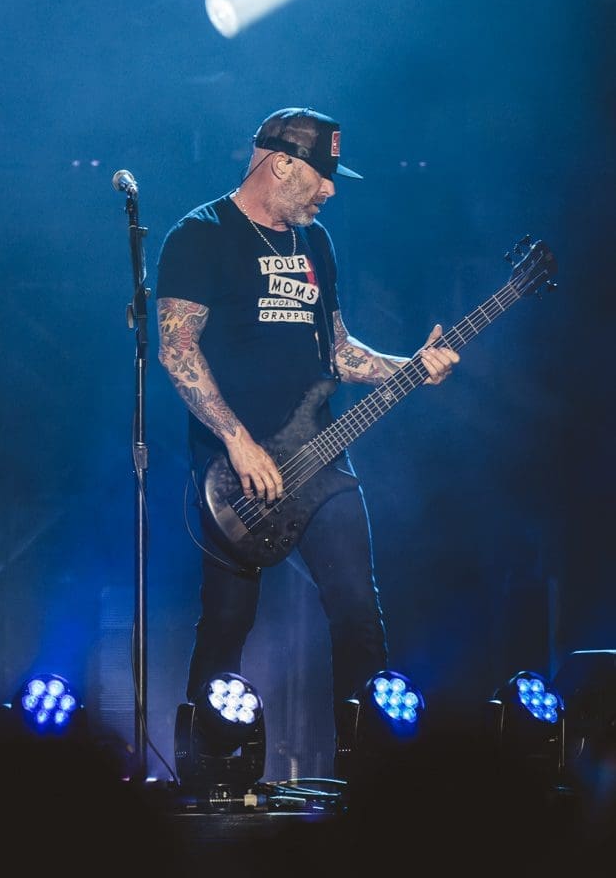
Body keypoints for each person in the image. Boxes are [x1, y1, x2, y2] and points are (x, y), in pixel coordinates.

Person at [154, 106, 458, 726]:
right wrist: (237, 442)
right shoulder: (200, 234)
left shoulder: (315, 241)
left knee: (356, 607)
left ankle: (368, 761)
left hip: (322, 452)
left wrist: (410, 365)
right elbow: (176, 348)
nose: (331, 189)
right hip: (235, 466)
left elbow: (340, 351)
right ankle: (211, 764)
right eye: (322, 174)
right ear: (281, 163)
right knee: (228, 619)